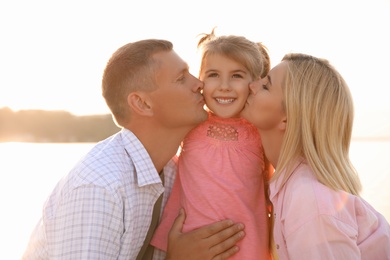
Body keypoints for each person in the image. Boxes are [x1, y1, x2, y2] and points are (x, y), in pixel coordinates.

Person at [22, 39, 246, 260]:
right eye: (181, 78)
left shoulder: (174, 170)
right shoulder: (99, 187)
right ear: (142, 104)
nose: (199, 83)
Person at [241, 53, 390, 259]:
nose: (251, 85)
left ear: (288, 117)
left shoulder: (310, 201)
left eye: (266, 85)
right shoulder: (291, 185)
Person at [151, 30, 272, 259]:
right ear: (200, 80)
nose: (224, 86)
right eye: (213, 74)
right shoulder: (190, 121)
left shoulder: (260, 131)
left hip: (245, 249)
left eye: (237, 75)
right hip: (189, 246)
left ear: (254, 84)